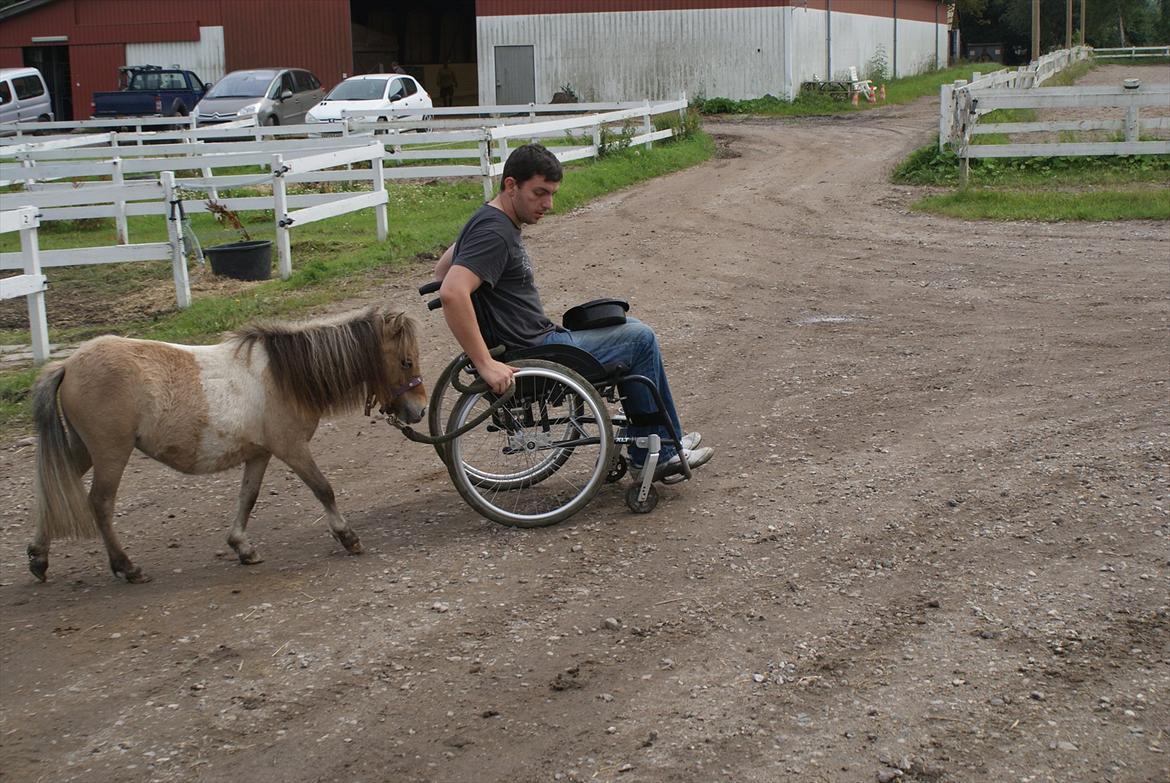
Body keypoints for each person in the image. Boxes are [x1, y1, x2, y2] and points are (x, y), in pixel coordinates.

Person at [433, 144, 713, 482]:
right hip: (535, 349)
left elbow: (441, 270)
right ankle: (659, 454)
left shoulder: (488, 219)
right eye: (539, 193)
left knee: (629, 326)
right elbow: (451, 291)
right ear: (511, 185)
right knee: (640, 339)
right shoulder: (494, 231)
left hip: (535, 340)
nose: (548, 204)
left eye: (552, 194)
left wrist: (471, 243)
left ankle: (662, 442)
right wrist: (485, 363)